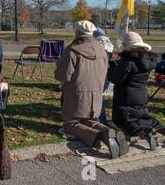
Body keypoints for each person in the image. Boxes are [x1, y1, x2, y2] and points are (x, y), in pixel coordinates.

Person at [55, 20, 128, 159]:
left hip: (76, 94)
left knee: (71, 124)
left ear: (77, 32)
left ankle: (102, 135)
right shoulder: (102, 49)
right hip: (96, 94)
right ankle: (107, 131)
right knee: (91, 121)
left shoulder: (72, 50)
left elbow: (62, 75)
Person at [108, 32, 164, 150]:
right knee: (144, 118)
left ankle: (144, 133)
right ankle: (161, 130)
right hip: (141, 95)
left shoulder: (127, 61)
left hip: (125, 97)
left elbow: (116, 80)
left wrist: (112, 66)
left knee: (125, 120)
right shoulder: (148, 60)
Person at [93, 28, 114, 125]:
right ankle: (100, 119)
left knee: (97, 97)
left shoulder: (97, 44)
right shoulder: (109, 44)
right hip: (107, 72)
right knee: (99, 96)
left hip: (98, 73)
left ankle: (101, 120)